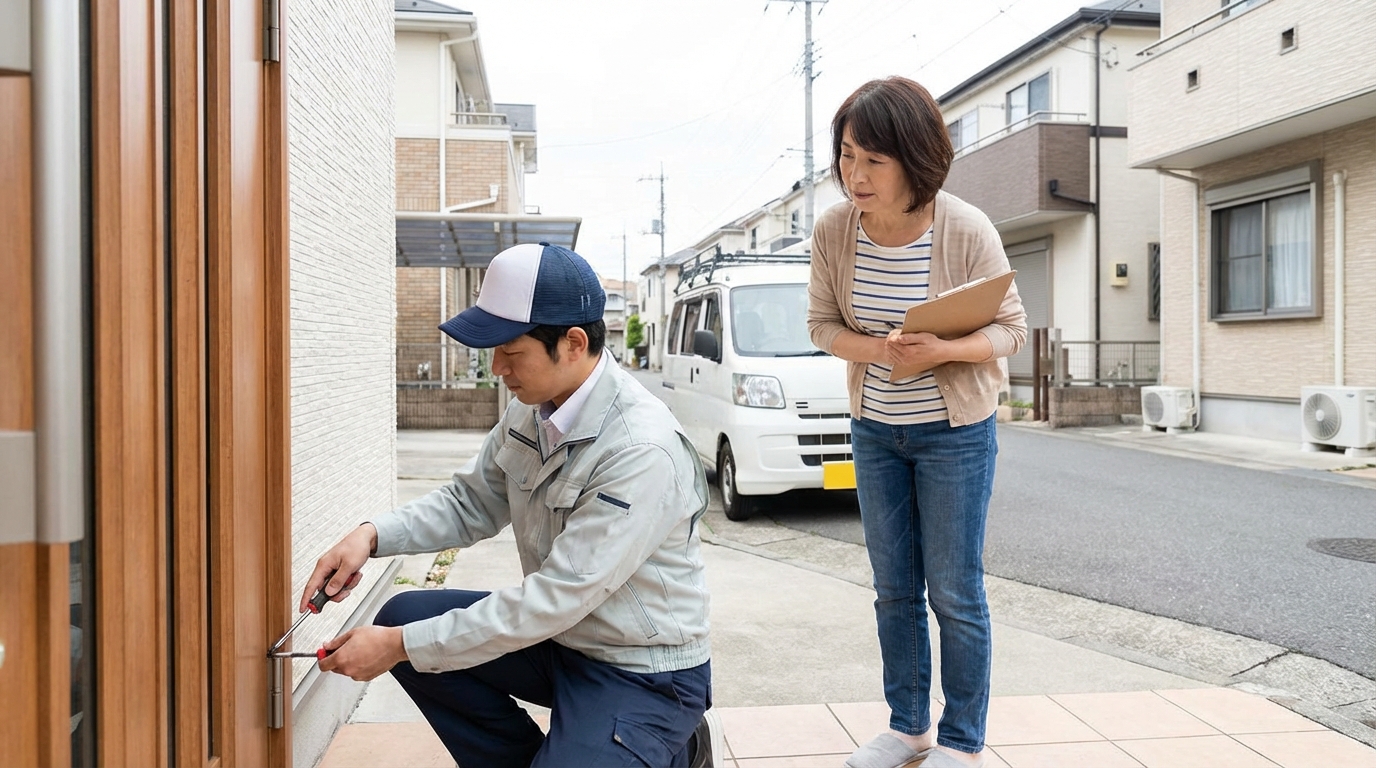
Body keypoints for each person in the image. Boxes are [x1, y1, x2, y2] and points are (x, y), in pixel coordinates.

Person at [302, 242, 718, 768]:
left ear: (571, 343)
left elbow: (556, 596)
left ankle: (678, 747)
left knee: (406, 640)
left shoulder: (641, 448)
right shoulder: (532, 410)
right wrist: (371, 535)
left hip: (641, 669)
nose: (497, 366)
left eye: (510, 351)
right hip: (561, 642)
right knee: (404, 615)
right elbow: (469, 503)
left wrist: (399, 646)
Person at [807, 77, 1026, 768]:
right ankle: (908, 727)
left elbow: (1012, 329)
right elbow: (820, 326)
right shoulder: (834, 229)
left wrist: (945, 350)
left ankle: (961, 739)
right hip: (875, 429)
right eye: (846, 155)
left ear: (914, 157)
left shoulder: (964, 227)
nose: (854, 174)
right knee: (893, 588)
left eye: (873, 159)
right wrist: (879, 350)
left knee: (955, 590)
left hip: (955, 434)